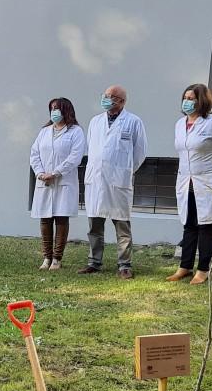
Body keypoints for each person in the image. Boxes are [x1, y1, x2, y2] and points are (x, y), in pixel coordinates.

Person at [166, 83, 212, 285]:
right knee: (189, 224)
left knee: (206, 225)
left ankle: (203, 269)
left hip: (209, 182)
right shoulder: (180, 124)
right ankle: (185, 266)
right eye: (186, 98)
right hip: (186, 182)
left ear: (202, 101)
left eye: (192, 98)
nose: (187, 101)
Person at [78, 85, 147, 279]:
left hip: (119, 182)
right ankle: (94, 262)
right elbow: (92, 148)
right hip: (96, 179)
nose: (107, 99)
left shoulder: (133, 122)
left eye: (112, 97)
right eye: (105, 96)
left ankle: (124, 265)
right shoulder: (95, 122)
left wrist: (124, 171)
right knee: (94, 225)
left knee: (122, 225)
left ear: (122, 101)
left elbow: (140, 152)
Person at [29, 98, 86, 270]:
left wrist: (54, 173)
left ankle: (57, 259)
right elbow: (34, 154)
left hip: (63, 181)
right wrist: (40, 173)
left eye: (57, 109)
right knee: (45, 220)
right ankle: (46, 257)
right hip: (44, 182)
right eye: (52, 108)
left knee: (61, 219)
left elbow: (75, 157)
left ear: (66, 110)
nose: (54, 112)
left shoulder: (75, 132)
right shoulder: (44, 131)